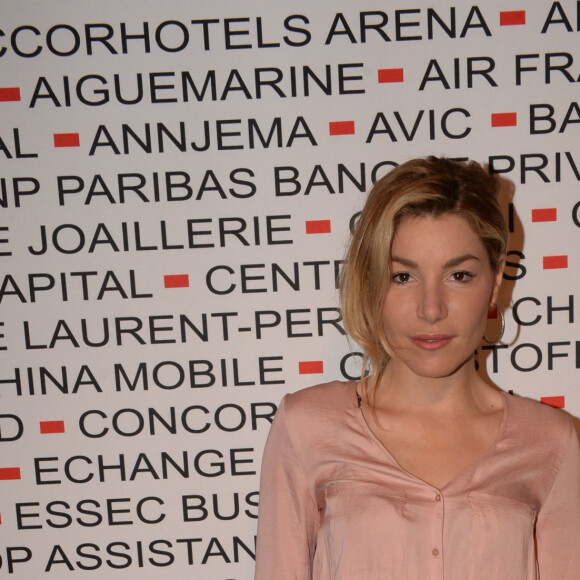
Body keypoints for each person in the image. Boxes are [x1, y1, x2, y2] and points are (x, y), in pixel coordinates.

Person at [254, 156, 580, 579]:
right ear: (371, 280)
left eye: (458, 275)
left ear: (496, 280)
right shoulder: (307, 426)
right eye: (402, 277)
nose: (431, 309)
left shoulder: (551, 442)